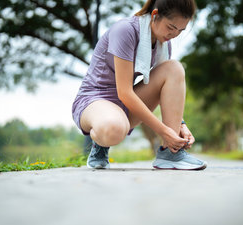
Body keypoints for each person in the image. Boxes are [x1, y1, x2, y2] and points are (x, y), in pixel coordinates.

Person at [72, 0, 206, 170]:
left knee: (174, 68)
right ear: (155, 15)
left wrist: (181, 125)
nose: (174, 35)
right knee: (113, 128)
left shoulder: (162, 43)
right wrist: (164, 131)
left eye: (180, 30)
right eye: (171, 27)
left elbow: (168, 91)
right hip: (95, 100)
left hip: (126, 102)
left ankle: (171, 153)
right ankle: (100, 144)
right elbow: (124, 92)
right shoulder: (125, 30)